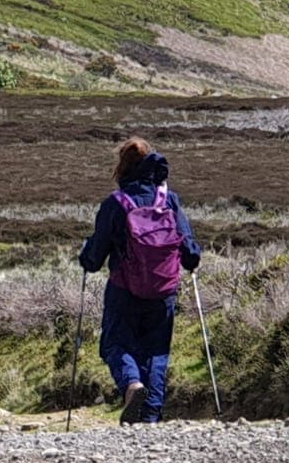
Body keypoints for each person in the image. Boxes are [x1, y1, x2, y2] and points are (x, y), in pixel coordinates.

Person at [79, 138, 202, 424]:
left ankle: (132, 385)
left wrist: (85, 258)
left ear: (122, 168)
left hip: (124, 291)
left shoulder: (116, 204)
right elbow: (189, 250)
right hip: (163, 292)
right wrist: (192, 262)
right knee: (156, 352)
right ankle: (150, 417)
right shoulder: (168, 201)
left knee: (114, 344)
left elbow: (95, 257)